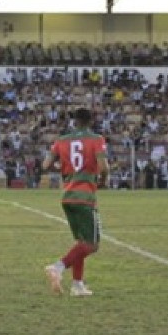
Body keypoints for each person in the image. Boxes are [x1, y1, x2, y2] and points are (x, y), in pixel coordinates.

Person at [42, 108, 110, 297]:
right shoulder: (96, 139)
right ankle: (58, 267)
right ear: (91, 121)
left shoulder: (61, 140)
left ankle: (77, 285)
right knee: (92, 244)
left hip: (68, 196)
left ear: (75, 122)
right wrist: (103, 180)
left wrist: (65, 170)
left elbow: (45, 166)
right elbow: (103, 167)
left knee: (81, 242)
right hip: (85, 197)